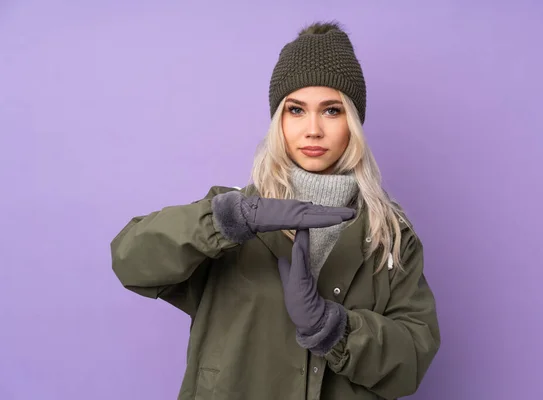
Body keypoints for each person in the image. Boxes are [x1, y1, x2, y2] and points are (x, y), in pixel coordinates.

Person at [111, 21, 440, 400]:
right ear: (278, 120)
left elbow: (413, 358)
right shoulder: (230, 216)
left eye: (331, 110)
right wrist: (227, 222)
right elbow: (130, 260)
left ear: (352, 121)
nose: (313, 129)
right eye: (296, 110)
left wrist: (331, 327)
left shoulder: (389, 232)